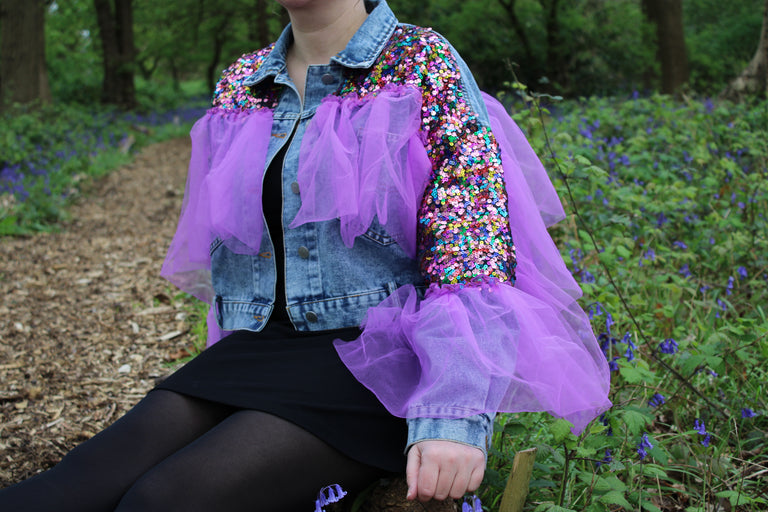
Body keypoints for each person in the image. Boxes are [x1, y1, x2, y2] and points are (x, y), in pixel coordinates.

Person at [0, 0, 612, 510]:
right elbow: (233, 256)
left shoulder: (419, 62)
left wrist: (451, 418)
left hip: (377, 362)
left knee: (162, 502)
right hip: (256, 350)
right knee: (59, 494)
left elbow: (470, 248)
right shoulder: (244, 84)